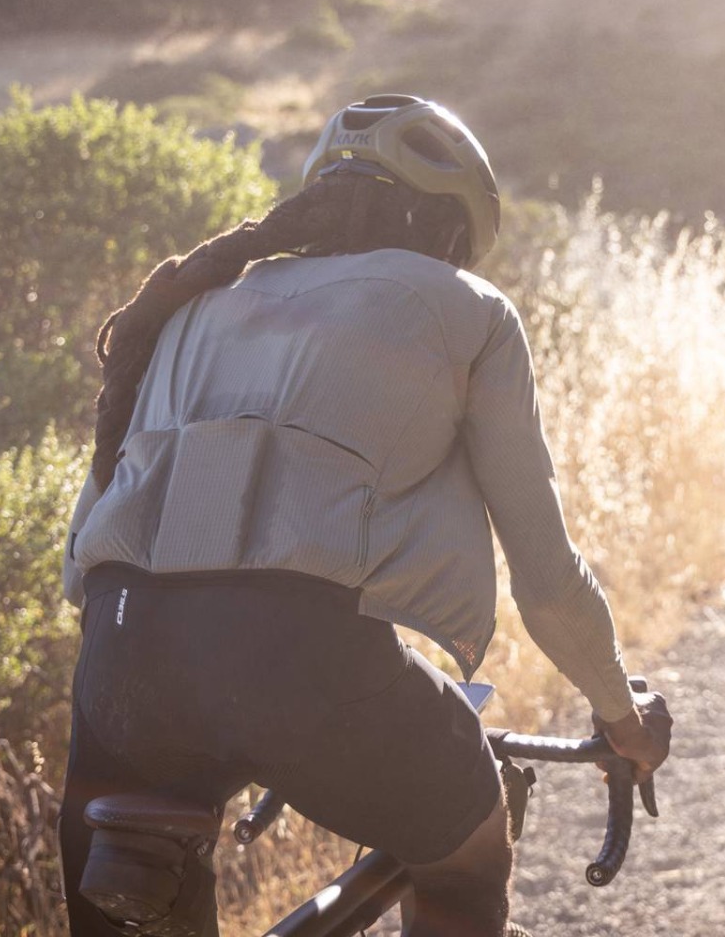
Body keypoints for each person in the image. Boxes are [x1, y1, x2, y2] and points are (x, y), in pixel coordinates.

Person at [57, 94, 672, 937]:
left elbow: (77, 569)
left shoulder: (194, 306)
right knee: (468, 852)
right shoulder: (469, 309)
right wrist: (620, 718)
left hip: (118, 662)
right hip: (304, 663)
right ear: (455, 226)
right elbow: (547, 576)